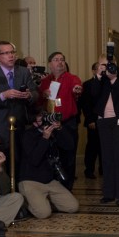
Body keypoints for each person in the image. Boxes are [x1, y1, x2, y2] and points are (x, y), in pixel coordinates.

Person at [17, 111, 80, 218]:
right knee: (43, 213)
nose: (45, 122)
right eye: (41, 120)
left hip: (49, 181)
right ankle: (27, 202)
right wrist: (44, 139)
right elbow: (34, 160)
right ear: (35, 123)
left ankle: (44, 201)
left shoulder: (53, 132)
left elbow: (69, 146)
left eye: (45, 118)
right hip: (31, 181)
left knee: (73, 207)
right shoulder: (28, 135)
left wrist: (60, 128)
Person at [0, 41, 38, 148]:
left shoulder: (24, 72)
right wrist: (3, 95)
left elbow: (35, 93)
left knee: (19, 160)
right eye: (6, 53)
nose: (11, 56)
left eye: (12, 52)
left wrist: (29, 95)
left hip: (19, 124)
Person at [38, 52, 82, 189]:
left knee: (68, 157)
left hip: (67, 124)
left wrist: (77, 89)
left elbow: (77, 87)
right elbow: (38, 102)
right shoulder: (45, 81)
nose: (60, 62)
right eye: (56, 60)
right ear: (50, 64)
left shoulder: (71, 78)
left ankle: (67, 188)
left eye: (62, 60)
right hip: (49, 123)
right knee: (50, 156)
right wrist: (42, 94)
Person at [93, 60, 119, 205]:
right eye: (103, 65)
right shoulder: (100, 79)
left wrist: (114, 78)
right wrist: (99, 77)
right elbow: (93, 95)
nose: (107, 68)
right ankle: (108, 193)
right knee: (106, 157)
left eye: (109, 64)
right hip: (104, 120)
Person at [79, 61, 104, 179]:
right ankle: (89, 170)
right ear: (94, 71)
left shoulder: (107, 82)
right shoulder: (87, 84)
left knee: (104, 146)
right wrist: (90, 120)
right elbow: (86, 104)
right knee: (92, 147)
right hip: (93, 120)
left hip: (106, 120)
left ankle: (103, 169)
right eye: (99, 67)